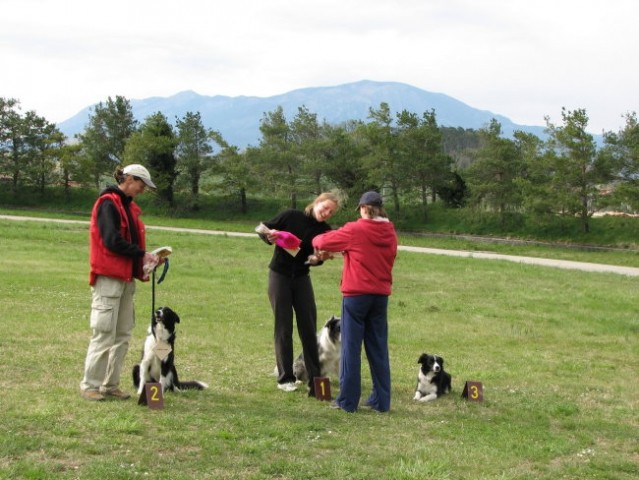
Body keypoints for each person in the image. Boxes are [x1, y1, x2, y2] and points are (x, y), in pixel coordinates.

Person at [80, 164, 160, 401]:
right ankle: (90, 385)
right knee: (104, 333)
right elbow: (111, 241)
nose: (143, 190)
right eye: (141, 185)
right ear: (130, 179)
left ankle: (110, 384)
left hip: (125, 278)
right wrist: (141, 254)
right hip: (109, 278)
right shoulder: (108, 203)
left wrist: (145, 258)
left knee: (123, 333)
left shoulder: (126, 206)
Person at [311, 191, 397, 412]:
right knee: (378, 348)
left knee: (350, 348)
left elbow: (321, 240)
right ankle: (381, 400)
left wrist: (341, 246)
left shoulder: (356, 228)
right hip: (380, 296)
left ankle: (347, 401)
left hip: (356, 295)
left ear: (361, 208)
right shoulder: (390, 231)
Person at [257, 192, 340, 396]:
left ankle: (316, 379)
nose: (327, 213)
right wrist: (269, 235)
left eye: (331, 212)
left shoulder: (325, 231)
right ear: (317, 202)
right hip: (280, 276)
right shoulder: (291, 216)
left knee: (308, 326)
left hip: (302, 277)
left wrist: (319, 258)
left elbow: (316, 259)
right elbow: (261, 227)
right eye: (325, 207)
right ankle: (285, 378)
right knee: (284, 327)